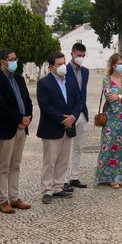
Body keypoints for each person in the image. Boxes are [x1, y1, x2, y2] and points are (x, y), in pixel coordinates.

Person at [0, 49, 33, 213]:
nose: (15, 61)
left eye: (16, 58)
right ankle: (2, 200)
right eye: (11, 59)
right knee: (4, 166)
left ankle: (14, 198)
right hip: (6, 128)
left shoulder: (19, 78)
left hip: (22, 128)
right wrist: (19, 118)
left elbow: (27, 100)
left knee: (16, 164)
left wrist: (28, 118)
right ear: (2, 62)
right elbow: (0, 107)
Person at [36, 52, 81, 204]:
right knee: (50, 160)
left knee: (63, 159)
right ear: (51, 67)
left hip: (69, 127)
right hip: (51, 127)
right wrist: (63, 120)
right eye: (59, 64)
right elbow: (45, 106)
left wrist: (73, 117)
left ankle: (58, 186)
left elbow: (78, 102)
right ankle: (47, 190)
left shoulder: (71, 81)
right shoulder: (44, 83)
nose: (63, 66)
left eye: (64, 63)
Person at [95, 53, 122, 188]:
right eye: (119, 63)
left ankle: (119, 177)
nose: (121, 65)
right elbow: (109, 97)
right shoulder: (106, 80)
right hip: (111, 118)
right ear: (113, 65)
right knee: (108, 145)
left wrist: (119, 96)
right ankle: (108, 176)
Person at [65, 43, 90, 189]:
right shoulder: (65, 70)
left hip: (82, 113)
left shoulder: (85, 72)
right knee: (64, 148)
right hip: (68, 114)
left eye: (83, 55)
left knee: (78, 147)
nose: (81, 58)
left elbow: (83, 92)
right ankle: (61, 180)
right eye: (78, 55)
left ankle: (74, 176)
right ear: (72, 54)